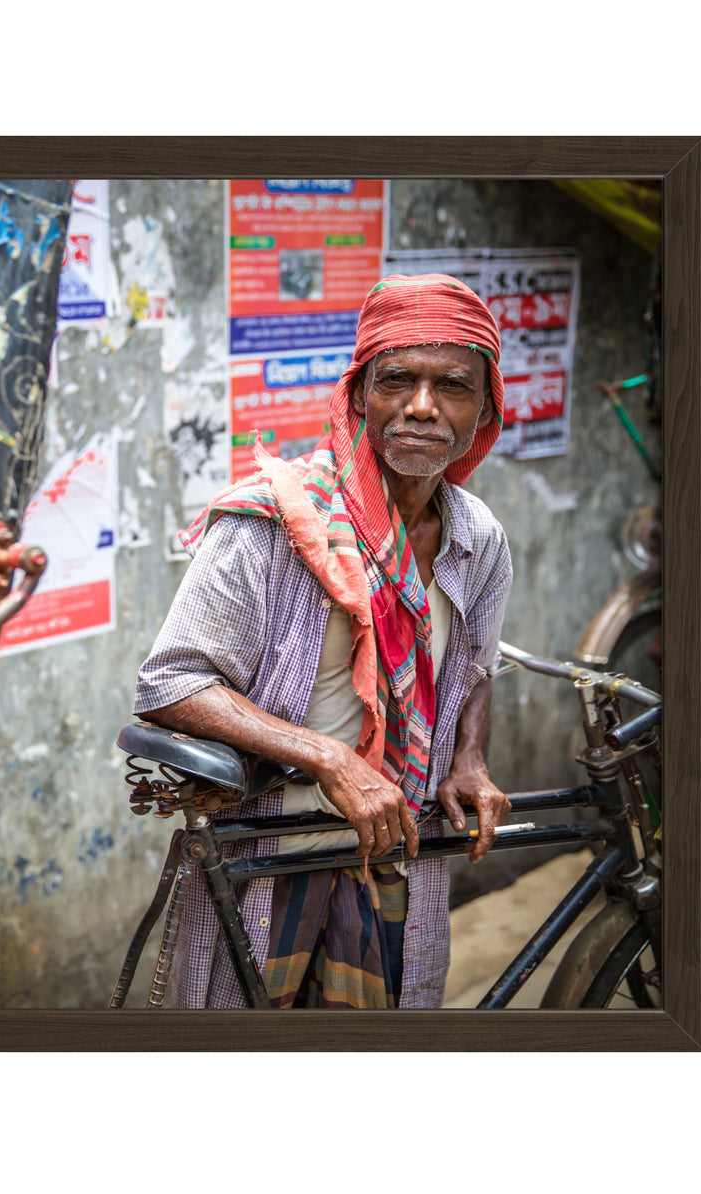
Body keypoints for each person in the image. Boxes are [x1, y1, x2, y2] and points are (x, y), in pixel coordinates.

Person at [133, 273, 513, 1009]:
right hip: (271, 854)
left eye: (454, 386)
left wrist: (468, 757)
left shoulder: (478, 539)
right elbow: (171, 683)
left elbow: (473, 665)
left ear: (487, 408)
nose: (423, 407)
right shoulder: (271, 526)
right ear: (359, 395)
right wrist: (331, 757)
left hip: (396, 848)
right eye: (397, 379)